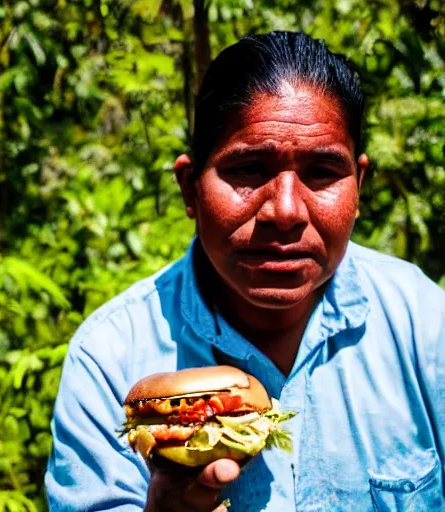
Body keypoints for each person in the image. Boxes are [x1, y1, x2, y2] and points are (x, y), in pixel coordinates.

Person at [45, 31, 445, 511]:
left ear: (358, 186)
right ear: (190, 189)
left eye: (322, 172)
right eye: (250, 168)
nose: (286, 211)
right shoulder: (109, 359)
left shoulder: (424, 324)